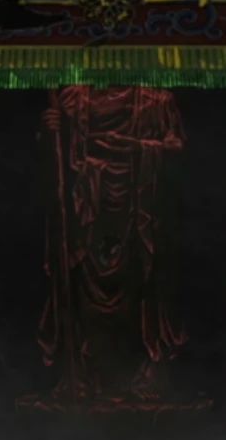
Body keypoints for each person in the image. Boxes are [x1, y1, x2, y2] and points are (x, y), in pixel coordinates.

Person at [36, 85, 188, 404]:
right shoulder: (73, 99)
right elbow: (55, 164)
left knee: (141, 287)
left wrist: (138, 147)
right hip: (88, 212)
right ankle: (85, 374)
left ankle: (143, 373)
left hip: (140, 211)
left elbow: (177, 147)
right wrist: (51, 132)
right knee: (83, 287)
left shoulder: (155, 97)